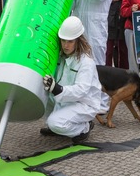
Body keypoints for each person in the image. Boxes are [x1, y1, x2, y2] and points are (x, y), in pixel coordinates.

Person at [40, 16, 107, 144]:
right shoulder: (60, 57)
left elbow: (81, 90)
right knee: (41, 99)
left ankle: (84, 128)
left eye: (70, 41)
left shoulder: (86, 62)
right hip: (66, 99)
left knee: (55, 123)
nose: (66, 45)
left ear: (78, 40)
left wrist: (57, 89)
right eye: (63, 40)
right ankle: (57, 127)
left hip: (84, 104)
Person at [106, 0, 130, 68]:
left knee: (123, 51)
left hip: (123, 18)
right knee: (108, 50)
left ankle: (123, 75)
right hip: (109, 18)